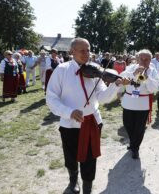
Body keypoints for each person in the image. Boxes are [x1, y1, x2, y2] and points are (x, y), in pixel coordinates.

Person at [46, 38, 125, 194]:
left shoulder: (95, 71)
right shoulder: (62, 70)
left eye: (88, 50)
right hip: (70, 124)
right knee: (71, 156)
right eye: (82, 50)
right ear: (72, 52)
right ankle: (73, 182)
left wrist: (116, 85)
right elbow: (51, 98)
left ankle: (87, 188)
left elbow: (102, 98)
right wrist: (69, 112)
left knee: (90, 158)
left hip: (92, 121)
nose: (86, 53)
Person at [120, 49, 159, 159]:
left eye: (147, 59)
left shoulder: (153, 71)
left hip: (143, 104)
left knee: (139, 127)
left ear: (150, 60)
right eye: (141, 59)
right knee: (127, 124)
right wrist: (134, 73)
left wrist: (146, 78)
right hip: (129, 102)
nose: (144, 61)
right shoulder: (130, 68)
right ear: (137, 59)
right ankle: (133, 142)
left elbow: (154, 88)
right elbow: (121, 77)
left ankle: (135, 147)